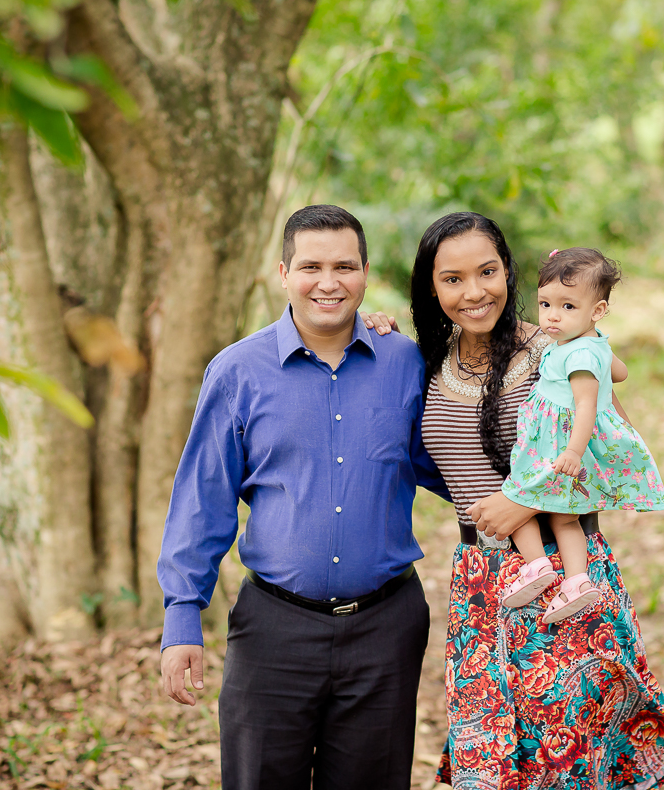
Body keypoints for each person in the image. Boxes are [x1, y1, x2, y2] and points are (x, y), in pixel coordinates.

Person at [403, 211, 664, 789]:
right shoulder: (424, 362)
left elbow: (606, 446)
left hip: (565, 574)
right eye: (452, 278)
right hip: (479, 579)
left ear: (508, 273)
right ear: (431, 286)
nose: (474, 292)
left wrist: (524, 500)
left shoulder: (555, 348)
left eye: (487, 271)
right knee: (492, 761)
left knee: (571, 762)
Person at [157, 204, 450, 790]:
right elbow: (202, 498)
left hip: (385, 628)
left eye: (344, 266)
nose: (328, 281)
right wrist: (182, 614)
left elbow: (454, 460)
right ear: (283, 272)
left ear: (366, 272)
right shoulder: (237, 372)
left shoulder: (405, 363)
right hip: (274, 627)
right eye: (311, 265)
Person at [500, 247, 664, 625]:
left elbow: (587, 406)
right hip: (559, 439)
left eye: (568, 307)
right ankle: (576, 581)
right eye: (545, 304)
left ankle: (537, 566)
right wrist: (601, 353)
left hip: (557, 443)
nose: (553, 316)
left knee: (519, 496)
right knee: (565, 518)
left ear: (597, 311)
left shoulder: (576, 357)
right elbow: (620, 373)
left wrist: (574, 451)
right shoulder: (592, 344)